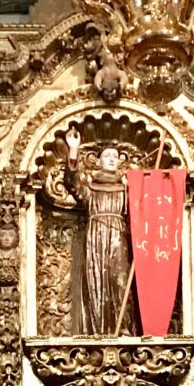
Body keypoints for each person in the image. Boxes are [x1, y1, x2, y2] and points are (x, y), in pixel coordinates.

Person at [63, 126, 131, 334]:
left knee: (120, 279)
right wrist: (73, 149)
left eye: (115, 156)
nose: (111, 159)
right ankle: (98, 331)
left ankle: (124, 328)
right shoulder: (91, 188)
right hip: (96, 235)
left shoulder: (127, 187)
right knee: (97, 282)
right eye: (107, 156)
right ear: (98, 160)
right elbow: (71, 183)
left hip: (118, 234)